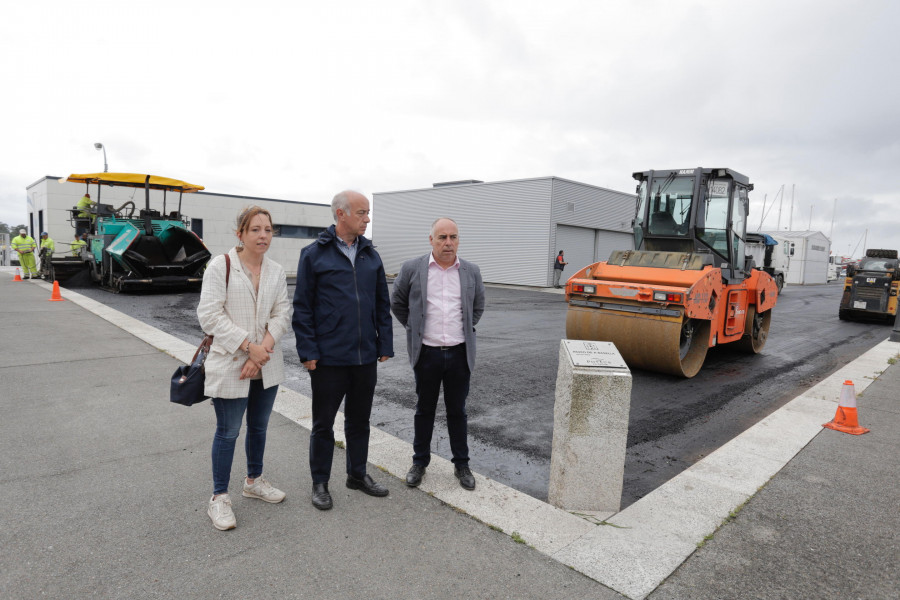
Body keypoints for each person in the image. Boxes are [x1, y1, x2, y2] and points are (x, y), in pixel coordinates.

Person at [292, 190, 394, 511]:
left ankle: (357, 474)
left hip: (365, 357)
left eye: (368, 213)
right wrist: (307, 350)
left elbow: (381, 303)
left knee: (359, 420)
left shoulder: (370, 255)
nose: (367, 218)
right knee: (323, 424)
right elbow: (303, 308)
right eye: (362, 212)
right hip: (329, 360)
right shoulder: (314, 255)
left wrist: (385, 344)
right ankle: (320, 482)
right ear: (341, 214)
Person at [196, 206, 293, 531]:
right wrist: (247, 346)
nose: (263, 235)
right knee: (228, 431)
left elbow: (282, 314)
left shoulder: (276, 271)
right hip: (231, 364)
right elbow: (209, 315)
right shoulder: (220, 266)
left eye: (267, 229)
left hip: (264, 362)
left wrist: (259, 351)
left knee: (260, 426)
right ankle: (219, 498)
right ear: (240, 233)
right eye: (255, 229)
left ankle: (253, 481)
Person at [391, 217, 485, 490]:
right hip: (427, 353)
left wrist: (463, 330)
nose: (448, 243)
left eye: (453, 237)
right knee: (424, 410)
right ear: (430, 239)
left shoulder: (471, 271)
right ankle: (419, 462)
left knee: (458, 411)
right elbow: (398, 302)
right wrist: (415, 327)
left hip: (459, 353)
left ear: (458, 240)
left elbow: (477, 308)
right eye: (442, 237)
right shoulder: (412, 268)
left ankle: (461, 465)